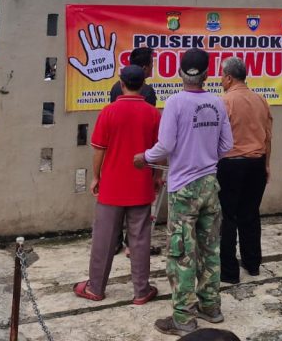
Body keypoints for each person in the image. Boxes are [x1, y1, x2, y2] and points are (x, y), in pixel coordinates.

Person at [133, 48, 233, 337]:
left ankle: (183, 318)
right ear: (207, 74)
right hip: (210, 185)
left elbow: (165, 146)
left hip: (184, 189)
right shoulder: (217, 102)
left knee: (181, 254)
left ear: (179, 73)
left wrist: (144, 158)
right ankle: (211, 307)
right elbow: (227, 145)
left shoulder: (175, 102)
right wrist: (206, 156)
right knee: (210, 248)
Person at [74, 65, 162, 305]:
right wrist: (156, 176)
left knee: (103, 239)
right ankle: (141, 291)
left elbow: (99, 150)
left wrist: (96, 177)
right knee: (140, 240)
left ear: (121, 84)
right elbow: (159, 152)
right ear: (143, 84)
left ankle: (95, 288)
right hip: (141, 185)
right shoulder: (153, 114)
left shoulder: (109, 111)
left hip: (112, 186)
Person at [217, 56, 272, 284]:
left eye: (222, 75)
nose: (220, 79)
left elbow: (216, 138)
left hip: (231, 164)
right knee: (250, 214)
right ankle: (252, 264)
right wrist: (266, 164)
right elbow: (268, 137)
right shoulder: (261, 100)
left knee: (228, 216)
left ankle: (229, 272)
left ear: (229, 78)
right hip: (257, 163)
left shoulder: (224, 102)